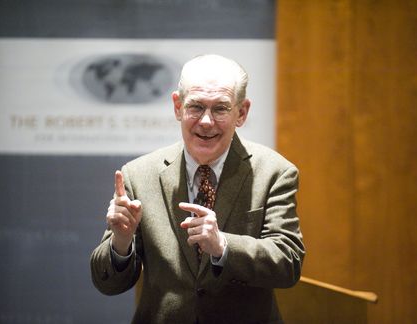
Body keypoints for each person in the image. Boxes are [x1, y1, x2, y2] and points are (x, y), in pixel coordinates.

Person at [90, 54, 305, 323]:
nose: (205, 121)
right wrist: (120, 243)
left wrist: (223, 245)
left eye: (220, 109)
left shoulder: (274, 172)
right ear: (178, 107)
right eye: (196, 107)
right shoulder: (138, 175)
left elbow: (288, 263)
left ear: (241, 112)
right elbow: (108, 283)